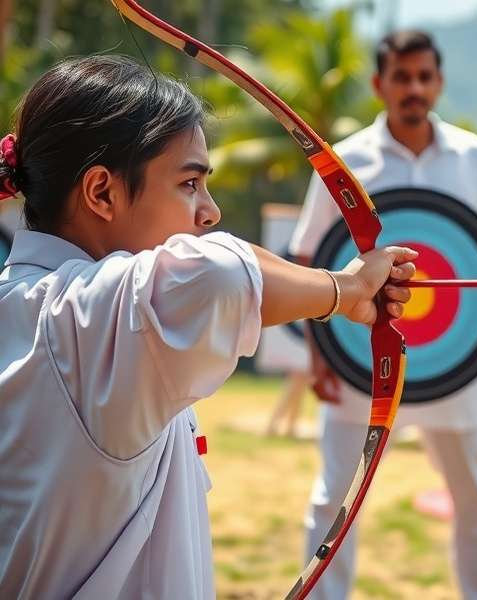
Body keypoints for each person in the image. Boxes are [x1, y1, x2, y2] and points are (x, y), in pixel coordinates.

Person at [0, 55, 417, 599]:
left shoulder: (35, 306)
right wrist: (345, 290)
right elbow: (219, 274)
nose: (209, 211)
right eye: (189, 183)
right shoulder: (80, 317)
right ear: (101, 193)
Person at [290, 31, 477, 600]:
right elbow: (312, 258)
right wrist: (318, 355)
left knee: (475, 500)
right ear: (380, 84)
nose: (414, 88)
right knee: (335, 498)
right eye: (402, 77)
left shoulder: (475, 156)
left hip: (455, 362)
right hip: (362, 361)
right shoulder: (346, 161)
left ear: (439, 82)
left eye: (424, 77)